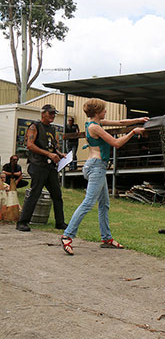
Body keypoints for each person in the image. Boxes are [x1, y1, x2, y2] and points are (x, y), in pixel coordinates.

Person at [60, 98, 147, 256]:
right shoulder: (96, 128)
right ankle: (67, 235)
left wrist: (139, 120)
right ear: (97, 112)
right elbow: (116, 143)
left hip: (94, 166)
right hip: (96, 168)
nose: (105, 111)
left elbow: (121, 122)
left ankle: (106, 238)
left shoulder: (94, 123)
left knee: (104, 204)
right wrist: (133, 132)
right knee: (88, 203)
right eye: (103, 110)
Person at [16, 105, 67, 232]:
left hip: (50, 167)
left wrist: (59, 154)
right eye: (50, 113)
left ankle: (60, 223)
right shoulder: (34, 126)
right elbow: (30, 145)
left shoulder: (52, 129)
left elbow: (52, 146)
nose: (52, 116)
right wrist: (48, 154)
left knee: (57, 194)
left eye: (54, 113)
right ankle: (22, 222)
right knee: (34, 193)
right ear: (43, 113)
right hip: (38, 165)